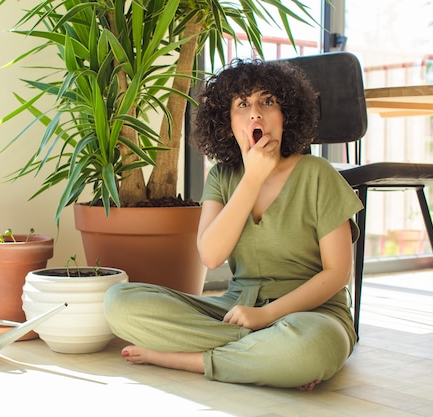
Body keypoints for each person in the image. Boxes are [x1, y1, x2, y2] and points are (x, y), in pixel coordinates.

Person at [103, 58, 364, 391]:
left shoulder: (317, 174)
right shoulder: (222, 177)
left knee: (311, 346)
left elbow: (338, 273)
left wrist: (267, 317)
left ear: (287, 115)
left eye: (267, 101)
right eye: (243, 104)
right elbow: (211, 256)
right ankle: (268, 357)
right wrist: (252, 178)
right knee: (119, 302)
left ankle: (191, 360)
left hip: (313, 314)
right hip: (235, 308)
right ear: (227, 123)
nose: (255, 112)